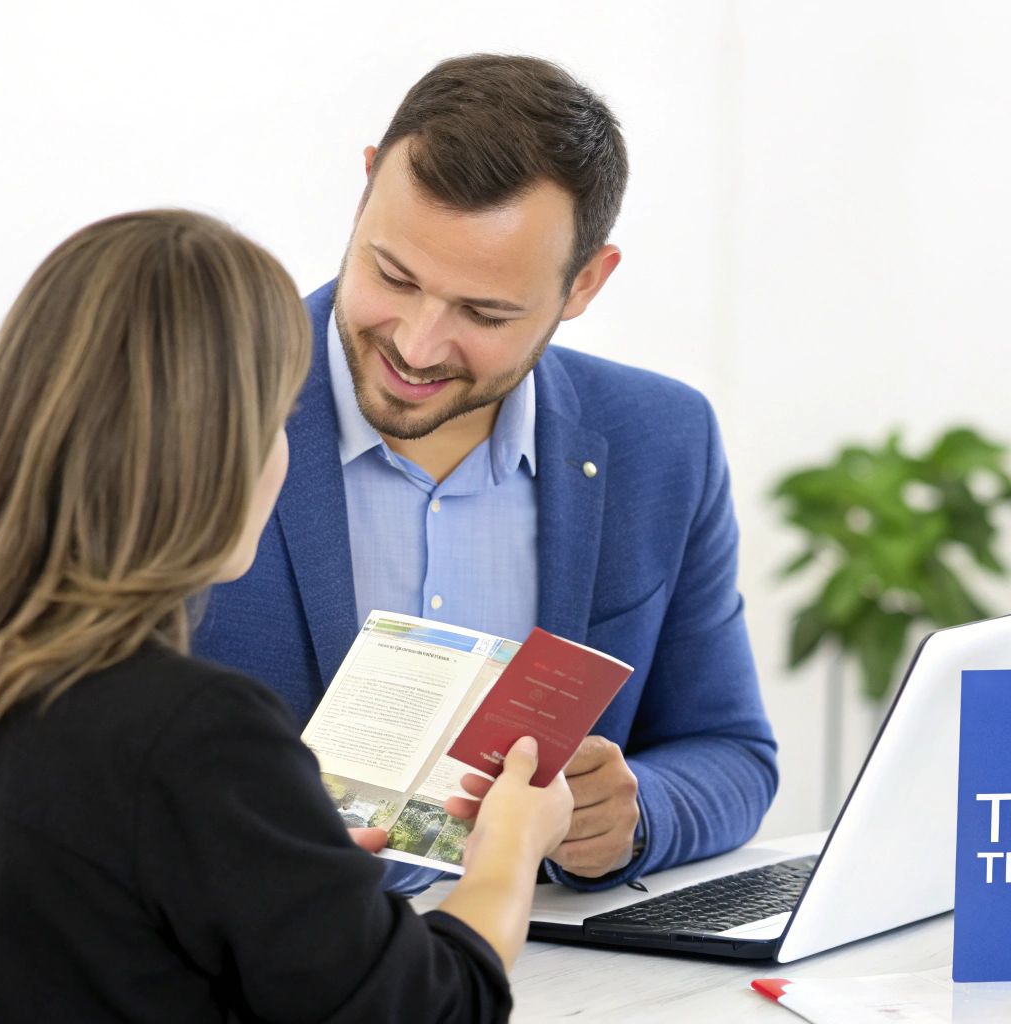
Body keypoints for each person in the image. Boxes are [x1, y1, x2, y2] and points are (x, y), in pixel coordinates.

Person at [0, 210, 570, 1022]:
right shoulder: (195, 734)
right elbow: (433, 1011)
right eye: (273, 422)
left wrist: (283, 866)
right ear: (220, 454)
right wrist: (507, 851)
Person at [194, 53, 778, 894]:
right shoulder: (195, 403)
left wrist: (634, 811)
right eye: (392, 275)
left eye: (484, 312)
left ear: (584, 283)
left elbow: (732, 751)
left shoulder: (660, 441)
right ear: (364, 192)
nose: (417, 345)